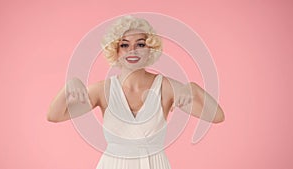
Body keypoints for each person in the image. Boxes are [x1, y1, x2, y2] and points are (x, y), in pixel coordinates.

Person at [47, 15, 225, 169]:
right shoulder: (102, 90)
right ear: (115, 51)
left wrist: (194, 88)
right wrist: (69, 86)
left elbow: (216, 116)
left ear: (150, 50)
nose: (132, 50)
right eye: (124, 45)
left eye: (140, 44)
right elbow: (54, 115)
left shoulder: (166, 87)